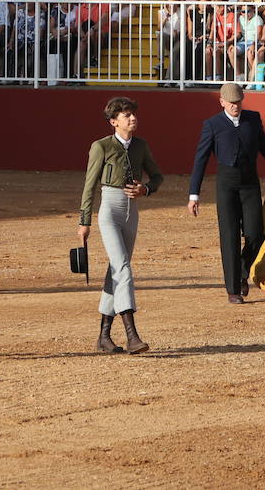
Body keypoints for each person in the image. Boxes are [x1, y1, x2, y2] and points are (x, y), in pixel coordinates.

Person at [188, 82, 265, 303]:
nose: (235, 106)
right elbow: (201, 159)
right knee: (230, 236)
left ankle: (242, 271)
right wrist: (194, 194)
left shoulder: (253, 118)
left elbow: (264, 145)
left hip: (249, 182)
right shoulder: (212, 125)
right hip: (226, 184)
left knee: (256, 232)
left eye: (238, 102)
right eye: (231, 102)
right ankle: (233, 290)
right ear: (221, 102)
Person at [78, 96, 163, 355]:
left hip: (131, 211)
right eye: (127, 115)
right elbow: (90, 184)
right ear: (114, 122)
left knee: (115, 270)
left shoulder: (141, 146)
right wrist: (84, 221)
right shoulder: (101, 146)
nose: (133, 118)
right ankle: (131, 334)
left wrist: (145, 189)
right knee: (123, 267)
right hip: (110, 209)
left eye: (133, 114)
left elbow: (158, 176)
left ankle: (104, 337)